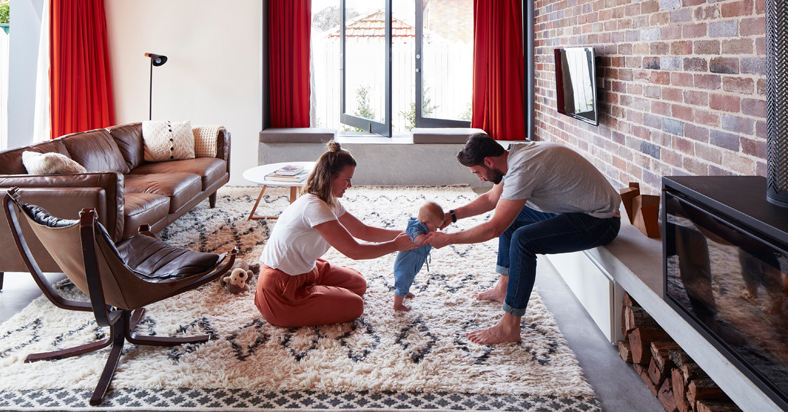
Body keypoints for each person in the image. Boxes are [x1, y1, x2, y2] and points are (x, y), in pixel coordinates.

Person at [425, 134, 621, 344]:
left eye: (477, 172)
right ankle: (504, 287)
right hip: (574, 210)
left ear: (488, 161)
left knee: (523, 239)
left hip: (600, 221)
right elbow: (492, 199)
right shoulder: (512, 155)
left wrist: (448, 239)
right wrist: (452, 215)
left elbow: (493, 229)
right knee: (512, 216)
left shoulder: (522, 169)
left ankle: (510, 326)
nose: (480, 178)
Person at [254, 141, 416, 327]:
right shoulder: (314, 207)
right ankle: (304, 302)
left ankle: (318, 295)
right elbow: (354, 251)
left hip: (306, 271)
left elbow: (363, 231)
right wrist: (396, 245)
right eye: (347, 179)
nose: (350, 185)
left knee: (359, 284)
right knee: (355, 305)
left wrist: (406, 234)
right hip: (281, 288)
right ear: (330, 177)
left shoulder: (329, 201)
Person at [392, 201, 446, 312]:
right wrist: (429, 237)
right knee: (403, 281)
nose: (435, 230)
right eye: (435, 227)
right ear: (425, 222)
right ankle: (397, 305)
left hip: (415, 260)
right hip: (406, 262)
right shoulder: (415, 227)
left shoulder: (424, 226)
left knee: (409, 279)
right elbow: (417, 240)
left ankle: (405, 292)